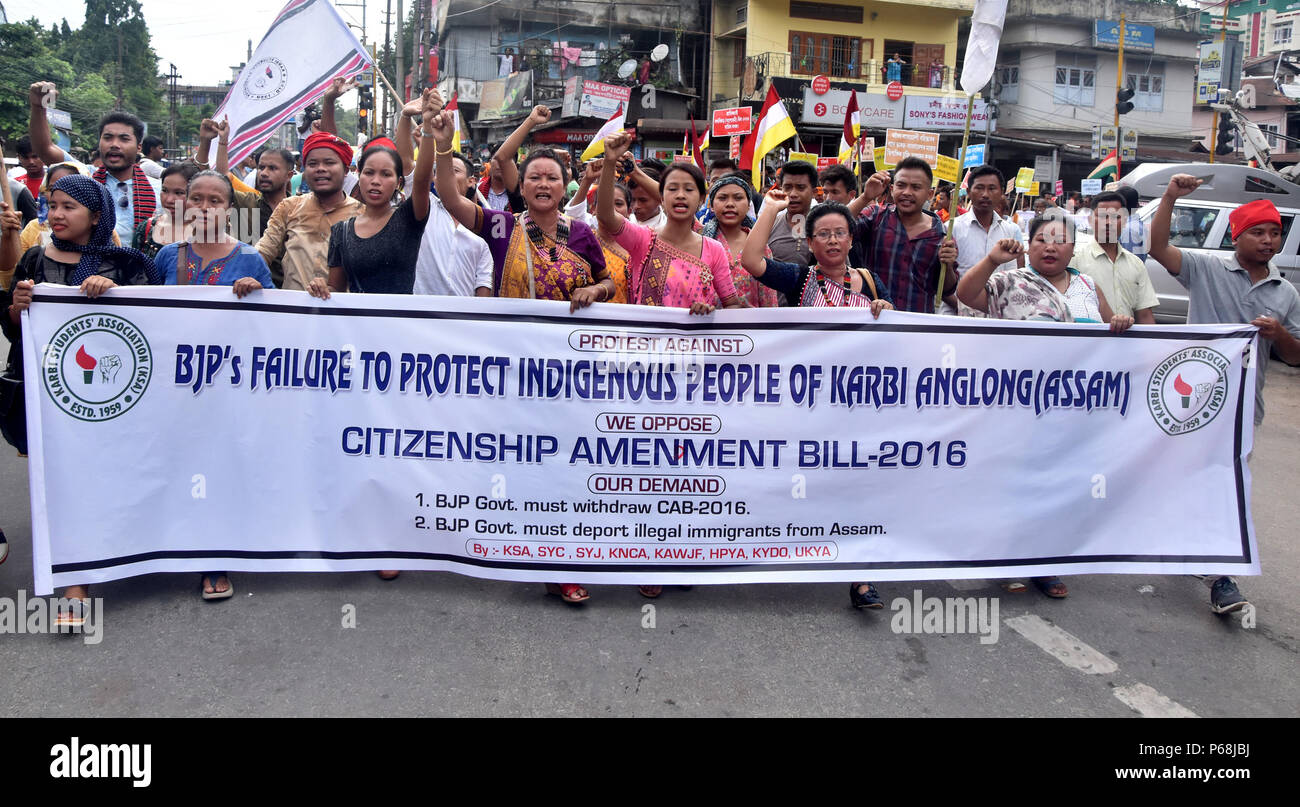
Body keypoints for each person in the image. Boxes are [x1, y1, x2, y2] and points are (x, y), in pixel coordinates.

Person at [431, 106, 613, 603]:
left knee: (567, 463)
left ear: (565, 184)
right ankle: (503, 542)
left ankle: (562, 560)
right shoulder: (499, 227)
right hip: (513, 368)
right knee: (519, 457)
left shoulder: (581, 235)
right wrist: (444, 145)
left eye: (552, 176)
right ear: (522, 185)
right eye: (534, 176)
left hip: (572, 369)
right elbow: (449, 197)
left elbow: (609, 281)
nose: (543, 183)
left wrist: (594, 293)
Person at [0, 175, 159, 626]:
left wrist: (116, 296)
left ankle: (101, 568)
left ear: (95, 214)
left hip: (109, 398)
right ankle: (76, 580)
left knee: (98, 478)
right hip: (48, 394)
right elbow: (13, 328)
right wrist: (20, 304)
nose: (56, 214)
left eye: (68, 206)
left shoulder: (127, 264)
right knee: (60, 482)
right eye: (52, 205)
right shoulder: (34, 257)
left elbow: (156, 321)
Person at [957, 212, 1133, 598]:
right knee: (1012, 482)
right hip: (1016, 406)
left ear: (1074, 247)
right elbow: (965, 295)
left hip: (1072, 410)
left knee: (1057, 486)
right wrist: (992, 261)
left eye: (1060, 239)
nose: (1050, 246)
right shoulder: (1008, 281)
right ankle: (1005, 558)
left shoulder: (1087, 285)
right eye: (1041, 239)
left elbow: (1111, 334)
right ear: (1029, 244)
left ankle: (1046, 562)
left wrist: (1120, 321)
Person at [1147, 176, 1300, 615]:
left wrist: (1280, 333)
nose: (1268, 240)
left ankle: (1221, 575)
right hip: (1194, 405)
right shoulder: (1207, 268)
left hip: (1243, 410)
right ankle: (1191, 546)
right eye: (1258, 232)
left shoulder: (1284, 292)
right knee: (1188, 478)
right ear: (1238, 236)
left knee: (1227, 485)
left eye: (1275, 233)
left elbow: (1294, 356)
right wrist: (1172, 197)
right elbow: (1159, 249)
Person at [741, 190, 894, 608]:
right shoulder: (799, 279)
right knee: (796, 482)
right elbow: (751, 262)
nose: (831, 240)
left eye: (839, 233)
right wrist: (771, 209)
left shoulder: (869, 281)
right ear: (809, 243)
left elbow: (894, 334)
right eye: (822, 234)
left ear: (849, 240)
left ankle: (860, 578)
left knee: (855, 488)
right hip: (805, 404)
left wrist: (884, 306)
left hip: (856, 404)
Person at [156, 170, 273, 598]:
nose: (204, 207)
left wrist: (257, 291)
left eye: (215, 200)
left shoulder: (249, 259)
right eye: (197, 198)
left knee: (218, 468)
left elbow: (277, 327)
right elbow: (145, 316)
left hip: (227, 389)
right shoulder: (168, 257)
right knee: (176, 465)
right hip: (174, 387)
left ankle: (215, 557)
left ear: (229, 208)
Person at [28, 82, 161, 243]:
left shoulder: (159, 190)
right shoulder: (84, 177)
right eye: (107, 137)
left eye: (124, 139)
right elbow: (45, 149)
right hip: (91, 266)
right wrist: (38, 107)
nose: (114, 144)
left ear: (139, 146)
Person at [256, 130, 362, 291]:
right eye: (312, 164)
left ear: (346, 170)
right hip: (292, 312)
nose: (320, 169)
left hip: (341, 312)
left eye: (329, 163)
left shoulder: (362, 214)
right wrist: (250, 275)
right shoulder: (288, 207)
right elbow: (264, 252)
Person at [848, 158, 958, 313]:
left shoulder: (942, 236)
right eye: (901, 185)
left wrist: (948, 265)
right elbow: (840, 227)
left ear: (930, 194)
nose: (907, 192)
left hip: (916, 326)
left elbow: (947, 289)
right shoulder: (875, 217)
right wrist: (865, 197)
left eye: (916, 187)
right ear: (892, 189)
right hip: (873, 319)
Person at [413, 141, 494, 298]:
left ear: (471, 181)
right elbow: (418, 177)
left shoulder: (486, 225)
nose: (446, 176)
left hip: (462, 319)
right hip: (420, 317)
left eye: (453, 171)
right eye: (440, 172)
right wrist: (428, 136)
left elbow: (484, 284)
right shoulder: (426, 209)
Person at [1069, 190, 1157, 324]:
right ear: (1090, 220)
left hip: (1126, 343)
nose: (1109, 222)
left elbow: (1144, 315)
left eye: (1116, 217)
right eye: (1103, 216)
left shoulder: (1136, 264)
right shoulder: (1074, 260)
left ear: (1125, 220)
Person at [950, 164, 1023, 316]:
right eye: (979, 188)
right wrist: (964, 308)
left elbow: (1011, 278)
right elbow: (944, 280)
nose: (985, 194)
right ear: (969, 192)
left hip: (995, 317)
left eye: (992, 188)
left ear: (1002, 193)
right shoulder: (951, 229)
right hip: (956, 315)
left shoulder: (1008, 230)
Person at [703, 175, 779, 308]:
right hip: (708, 325)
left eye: (738, 198)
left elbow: (768, 298)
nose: (730, 204)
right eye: (722, 198)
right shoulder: (701, 243)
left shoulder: (759, 246)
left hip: (751, 326)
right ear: (712, 205)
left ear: (748, 205)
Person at [132, 162, 199, 261]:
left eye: (179, 193)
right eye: (165, 190)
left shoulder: (206, 232)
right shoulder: (146, 228)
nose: (169, 200)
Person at [767, 161, 819, 268]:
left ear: (814, 192)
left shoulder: (827, 226)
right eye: (788, 187)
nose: (793, 194)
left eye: (800, 188)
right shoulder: (769, 223)